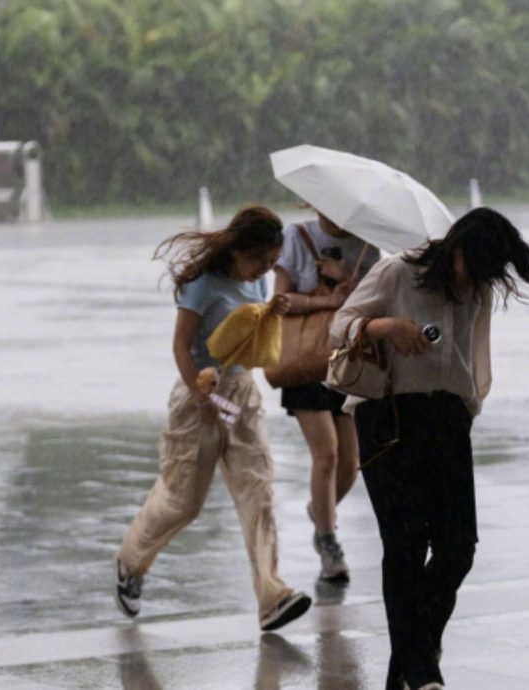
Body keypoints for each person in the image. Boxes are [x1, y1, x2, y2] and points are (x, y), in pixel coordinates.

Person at [331, 207, 529, 690]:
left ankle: (408, 666)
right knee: (405, 548)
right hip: (388, 417)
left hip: (448, 419)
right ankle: (421, 671)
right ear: (454, 250)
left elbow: (476, 355)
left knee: (458, 548)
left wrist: (471, 403)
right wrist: (387, 328)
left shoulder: (479, 288)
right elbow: (340, 325)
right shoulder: (398, 271)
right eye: (472, 266)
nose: (476, 279)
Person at [115, 205, 312, 632]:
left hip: (241, 394)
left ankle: (271, 595)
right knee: (184, 502)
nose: (263, 270)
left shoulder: (256, 280)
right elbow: (181, 346)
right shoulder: (202, 285)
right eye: (258, 261)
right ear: (238, 249)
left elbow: (248, 336)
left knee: (256, 493)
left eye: (270, 264)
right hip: (199, 397)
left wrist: (273, 312)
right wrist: (198, 393)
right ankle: (131, 561)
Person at [273, 212, 378, 581]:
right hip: (305, 361)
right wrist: (328, 300)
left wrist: (346, 278)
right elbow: (279, 300)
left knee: (352, 464)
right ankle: (328, 540)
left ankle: (320, 511)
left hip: (347, 359)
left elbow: (377, 303)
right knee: (327, 453)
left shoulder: (367, 243)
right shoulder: (297, 235)